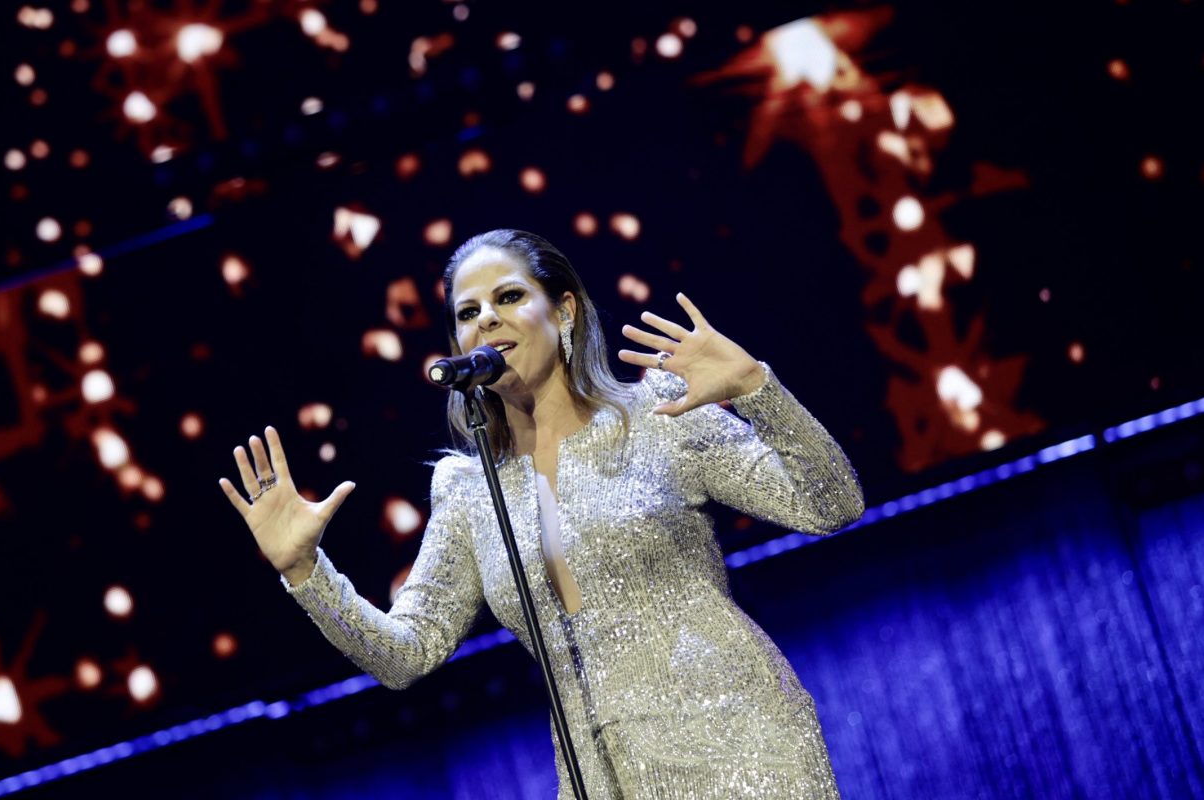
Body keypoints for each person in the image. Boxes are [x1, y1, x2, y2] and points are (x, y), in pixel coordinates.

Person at [218, 229, 864, 798]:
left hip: (740, 740)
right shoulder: (470, 490)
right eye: (467, 313)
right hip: (598, 774)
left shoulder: (657, 416)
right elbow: (405, 656)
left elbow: (831, 504)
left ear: (565, 310)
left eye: (507, 298)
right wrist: (306, 570)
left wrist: (758, 389)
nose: (487, 321)